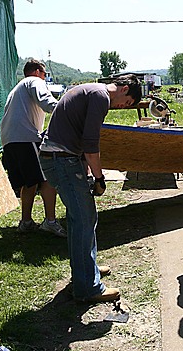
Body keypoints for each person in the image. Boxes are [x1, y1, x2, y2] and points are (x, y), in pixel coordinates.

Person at [39, 74, 142, 303]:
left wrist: (87, 173)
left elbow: (80, 137)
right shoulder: (100, 97)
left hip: (60, 158)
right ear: (124, 88)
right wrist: (99, 178)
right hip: (61, 160)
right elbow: (90, 144)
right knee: (84, 219)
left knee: (82, 218)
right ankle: (87, 287)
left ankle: (86, 271)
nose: (121, 106)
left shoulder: (92, 91)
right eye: (126, 103)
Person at [1, 59, 67, 237]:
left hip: (9, 141)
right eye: (45, 75)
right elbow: (46, 101)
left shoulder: (17, 88)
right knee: (48, 178)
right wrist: (68, 110)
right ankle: (50, 222)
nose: (45, 79)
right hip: (25, 137)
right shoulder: (34, 81)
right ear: (38, 72)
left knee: (29, 182)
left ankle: (26, 222)